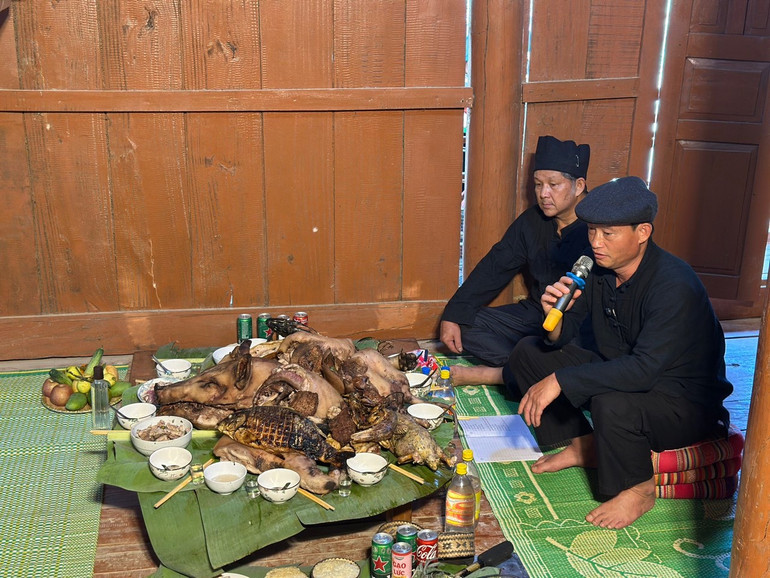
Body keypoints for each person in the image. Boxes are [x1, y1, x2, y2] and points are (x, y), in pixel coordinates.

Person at [508, 176, 733, 529]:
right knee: (528, 352)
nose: (596, 243)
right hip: (626, 375)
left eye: (607, 234)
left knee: (610, 402)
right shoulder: (600, 270)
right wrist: (553, 316)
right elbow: (562, 338)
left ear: (642, 232)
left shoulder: (675, 285)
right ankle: (584, 444)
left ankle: (640, 489)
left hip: (682, 402)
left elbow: (644, 370)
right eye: (592, 231)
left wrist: (560, 379)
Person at [441, 135, 592, 381]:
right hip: (537, 313)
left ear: (578, 186)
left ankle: (508, 374)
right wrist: (452, 314)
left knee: (585, 354)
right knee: (465, 324)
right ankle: (527, 371)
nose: (543, 194)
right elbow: (495, 266)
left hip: (578, 327)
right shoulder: (532, 220)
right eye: (537, 184)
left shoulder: (600, 229)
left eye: (553, 185)